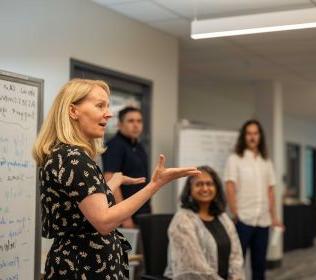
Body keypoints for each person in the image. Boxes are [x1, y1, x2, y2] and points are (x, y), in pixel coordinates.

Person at [33, 79, 199, 279]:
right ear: (73, 111)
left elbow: (81, 207)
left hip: (80, 264)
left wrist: (111, 184)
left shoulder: (65, 155)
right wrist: (156, 184)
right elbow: (103, 221)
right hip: (85, 268)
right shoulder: (74, 159)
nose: (109, 113)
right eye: (99, 105)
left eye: (108, 106)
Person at [224, 119, 282, 280]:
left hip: (263, 221)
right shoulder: (235, 159)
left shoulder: (266, 161)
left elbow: (271, 191)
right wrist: (235, 214)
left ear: (260, 136)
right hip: (243, 219)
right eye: (249, 133)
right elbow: (230, 187)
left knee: (260, 266)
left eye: (255, 133)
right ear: (244, 136)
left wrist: (274, 217)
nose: (252, 137)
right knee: (236, 265)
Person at [165, 166, 245, 280]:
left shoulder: (223, 217)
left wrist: (236, 277)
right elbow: (194, 267)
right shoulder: (182, 220)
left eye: (209, 184)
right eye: (199, 184)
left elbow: (236, 256)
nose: (205, 188)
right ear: (190, 190)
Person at [102, 106, 151, 228]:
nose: (136, 125)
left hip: (142, 211)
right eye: (131, 121)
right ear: (120, 124)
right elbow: (110, 179)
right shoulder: (115, 146)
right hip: (125, 215)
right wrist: (124, 217)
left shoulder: (139, 147)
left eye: (139, 121)